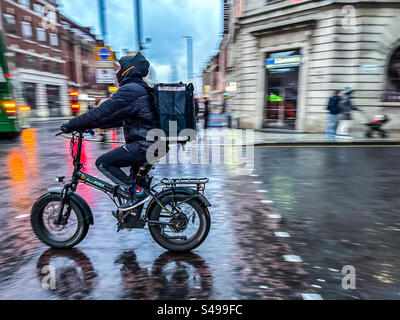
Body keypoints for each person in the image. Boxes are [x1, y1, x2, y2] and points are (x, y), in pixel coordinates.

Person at [60, 52, 160, 210]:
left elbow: (100, 113)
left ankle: (138, 193)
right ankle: (135, 205)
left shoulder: (130, 91)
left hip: (144, 146)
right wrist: (90, 125)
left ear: (128, 69)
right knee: (131, 179)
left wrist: (72, 124)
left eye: (119, 68)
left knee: (103, 162)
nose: (116, 72)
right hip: (151, 145)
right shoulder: (139, 88)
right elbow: (117, 118)